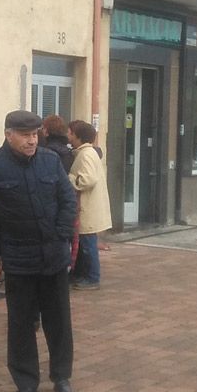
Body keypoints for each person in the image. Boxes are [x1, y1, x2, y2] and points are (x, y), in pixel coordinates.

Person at [0, 110, 77, 392]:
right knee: (21, 323)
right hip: (17, 257)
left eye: (35, 135)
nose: (32, 141)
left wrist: (62, 234)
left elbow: (68, 199)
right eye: (26, 135)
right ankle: (26, 381)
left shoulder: (50, 161)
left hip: (53, 255)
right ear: (8, 134)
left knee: (59, 320)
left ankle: (61, 375)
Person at [67, 120, 111, 291]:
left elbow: (88, 179)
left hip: (87, 207)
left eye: (70, 132)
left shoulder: (86, 154)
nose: (68, 136)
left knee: (87, 245)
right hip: (88, 206)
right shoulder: (86, 152)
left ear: (78, 135)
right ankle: (83, 275)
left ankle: (92, 278)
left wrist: (70, 178)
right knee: (85, 244)